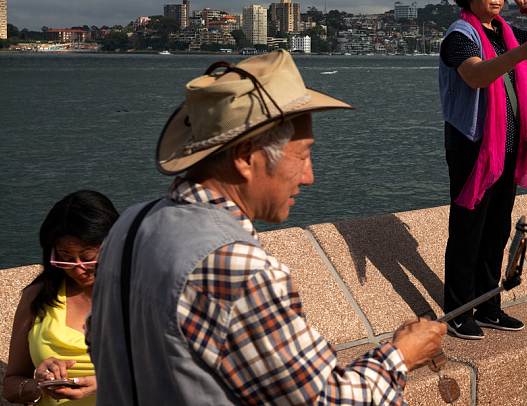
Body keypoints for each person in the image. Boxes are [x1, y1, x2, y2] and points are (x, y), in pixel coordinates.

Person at [88, 51, 445, 405]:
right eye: (303, 155)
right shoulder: (236, 265)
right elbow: (328, 401)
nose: (309, 177)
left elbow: (100, 340)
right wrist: (401, 355)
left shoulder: (128, 225)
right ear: (245, 157)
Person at [439, 0, 527, 339]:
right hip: (472, 145)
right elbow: (475, 76)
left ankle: (489, 304)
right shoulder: (460, 35)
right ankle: (459, 311)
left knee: (496, 229)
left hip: (506, 145)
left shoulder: (504, 31)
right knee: (467, 230)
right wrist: (522, 53)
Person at [2, 190, 119, 406]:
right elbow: (10, 384)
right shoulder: (36, 297)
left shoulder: (145, 294)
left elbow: (179, 372)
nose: (78, 269)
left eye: (88, 257)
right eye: (65, 257)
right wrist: (38, 385)